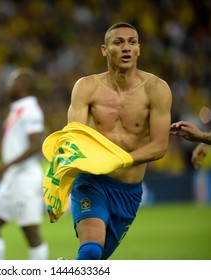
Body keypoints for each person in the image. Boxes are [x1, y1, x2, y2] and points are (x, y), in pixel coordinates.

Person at [46, 22, 172, 260]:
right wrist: (57, 188)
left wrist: (117, 161)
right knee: (92, 250)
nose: (126, 48)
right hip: (91, 182)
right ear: (104, 49)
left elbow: (159, 146)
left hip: (128, 192)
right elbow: (73, 142)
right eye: (118, 42)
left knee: (97, 260)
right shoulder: (86, 87)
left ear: (139, 50)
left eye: (132, 42)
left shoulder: (157, 89)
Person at [0, 68, 49, 260]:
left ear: (23, 87)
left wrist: (6, 165)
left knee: (30, 231)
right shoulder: (18, 109)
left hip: (25, 179)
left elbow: (36, 145)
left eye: (12, 82)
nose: (8, 85)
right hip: (12, 178)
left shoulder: (30, 110)